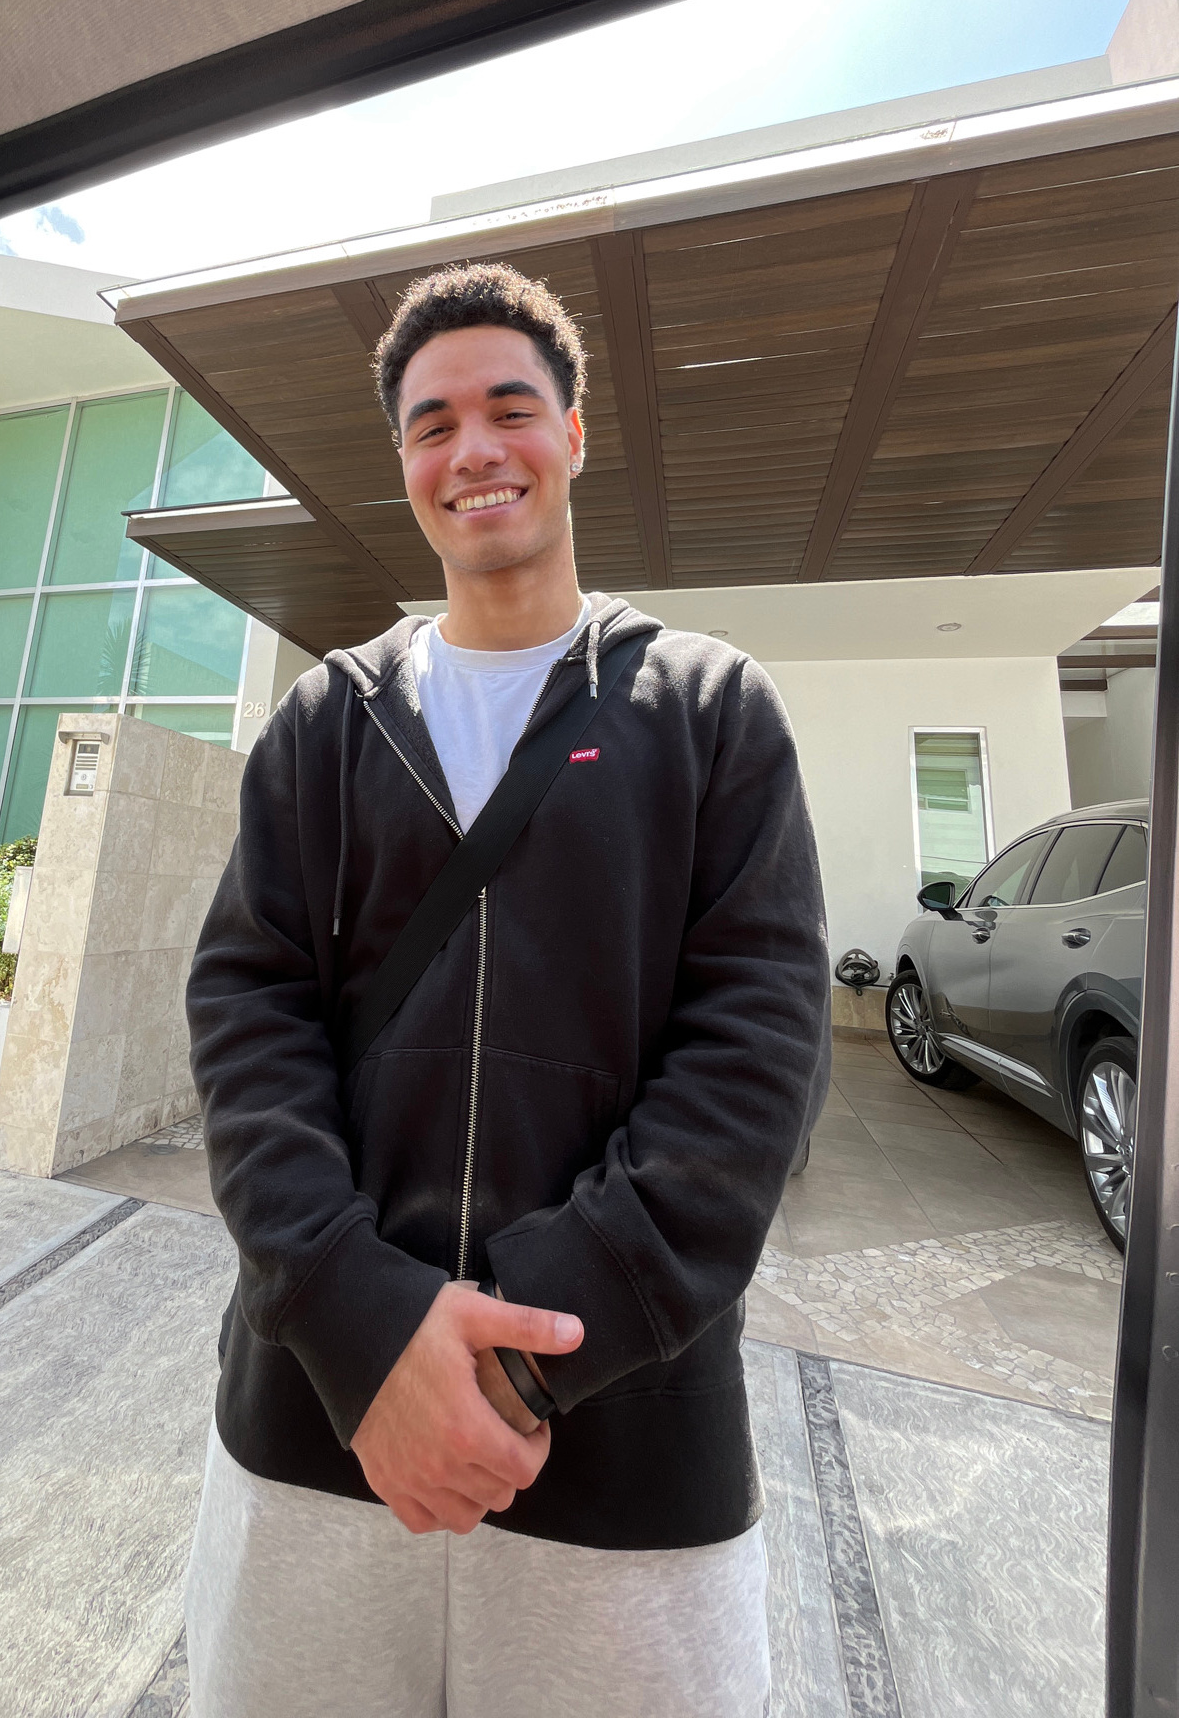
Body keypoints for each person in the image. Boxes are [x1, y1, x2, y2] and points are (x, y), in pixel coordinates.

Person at [183, 261, 830, 1717]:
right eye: (432, 425)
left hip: (623, 1460)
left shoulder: (710, 711)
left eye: (509, 409)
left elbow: (756, 1063)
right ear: (404, 464)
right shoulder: (325, 721)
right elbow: (247, 1018)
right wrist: (363, 1326)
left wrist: (513, 1368)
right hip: (315, 1432)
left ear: (574, 436)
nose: (472, 449)